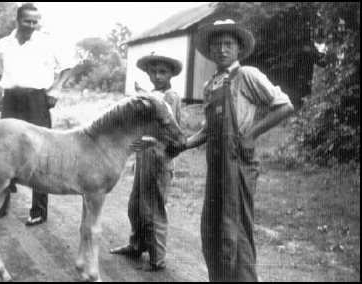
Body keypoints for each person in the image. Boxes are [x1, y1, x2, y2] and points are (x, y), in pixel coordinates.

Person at [184, 19, 294, 281]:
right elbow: (207, 130)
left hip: (239, 164)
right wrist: (181, 145)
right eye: (217, 45)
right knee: (212, 227)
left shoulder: (247, 75)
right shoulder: (210, 85)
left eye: (228, 44)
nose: (222, 50)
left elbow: (285, 105)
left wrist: (252, 134)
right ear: (210, 51)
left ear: (239, 48)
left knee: (237, 230)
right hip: (216, 164)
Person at [0, 3, 72, 226]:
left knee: (40, 153)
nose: (32, 25)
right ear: (18, 20)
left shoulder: (47, 42)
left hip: (37, 100)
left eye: (36, 21)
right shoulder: (3, 44)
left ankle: (38, 211)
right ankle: (1, 205)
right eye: (28, 21)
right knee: (5, 152)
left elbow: (67, 66)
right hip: (11, 101)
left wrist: (57, 89)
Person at [109, 53, 183, 271]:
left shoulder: (170, 97)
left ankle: (157, 258)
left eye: (163, 72)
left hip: (160, 157)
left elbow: (173, 132)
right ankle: (136, 245)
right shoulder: (150, 95)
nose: (158, 76)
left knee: (154, 209)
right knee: (136, 205)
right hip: (145, 157)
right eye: (153, 72)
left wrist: (160, 152)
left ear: (171, 74)